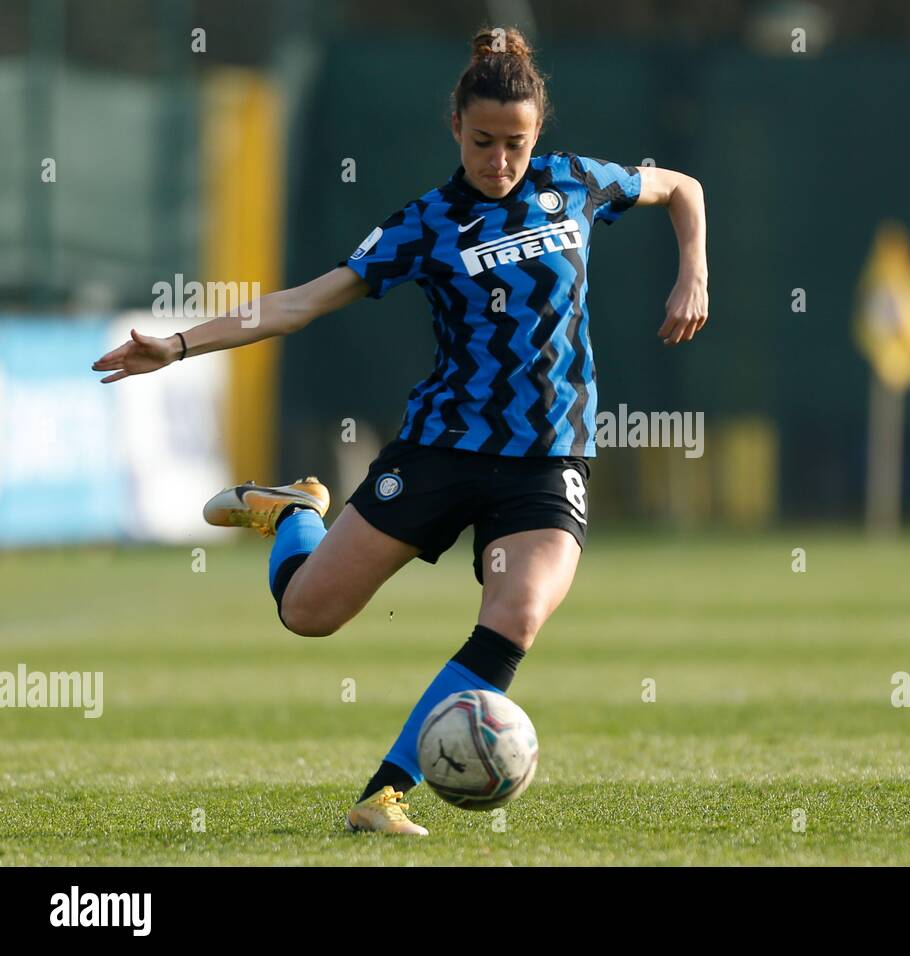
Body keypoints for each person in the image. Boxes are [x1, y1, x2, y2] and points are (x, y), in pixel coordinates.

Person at [90, 26, 708, 835]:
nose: (500, 161)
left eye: (516, 144)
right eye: (484, 141)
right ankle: (293, 513)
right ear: (455, 125)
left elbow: (684, 187)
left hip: (546, 458)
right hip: (442, 449)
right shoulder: (425, 224)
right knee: (308, 614)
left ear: (538, 135)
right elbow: (301, 302)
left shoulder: (578, 184)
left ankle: (385, 793)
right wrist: (176, 343)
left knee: (515, 616)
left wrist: (692, 273)